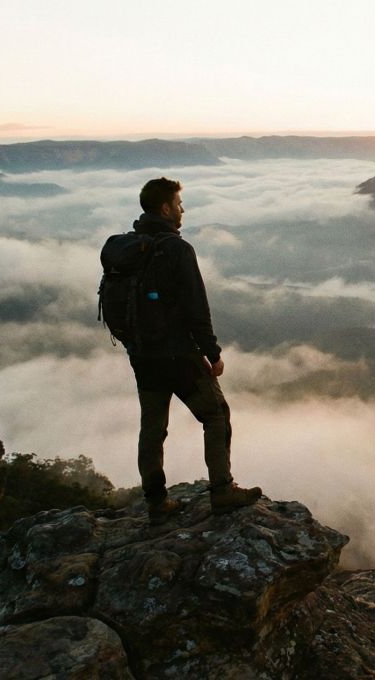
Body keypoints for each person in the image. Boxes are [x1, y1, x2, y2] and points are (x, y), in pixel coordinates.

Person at [126, 177, 261, 524]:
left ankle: (156, 503)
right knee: (216, 415)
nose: (183, 209)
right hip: (178, 355)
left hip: (142, 356)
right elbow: (196, 308)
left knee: (152, 429)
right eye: (179, 203)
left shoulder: (128, 248)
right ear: (166, 208)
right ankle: (222, 491)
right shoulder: (176, 249)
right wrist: (212, 353)